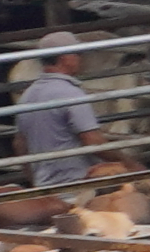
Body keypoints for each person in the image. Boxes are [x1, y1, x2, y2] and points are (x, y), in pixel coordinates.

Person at [10, 39, 101, 195]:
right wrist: (129, 163)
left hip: (46, 188)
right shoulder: (70, 93)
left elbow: (19, 145)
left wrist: (35, 183)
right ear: (64, 58)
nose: (80, 58)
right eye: (76, 54)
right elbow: (92, 140)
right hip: (78, 184)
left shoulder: (28, 95)